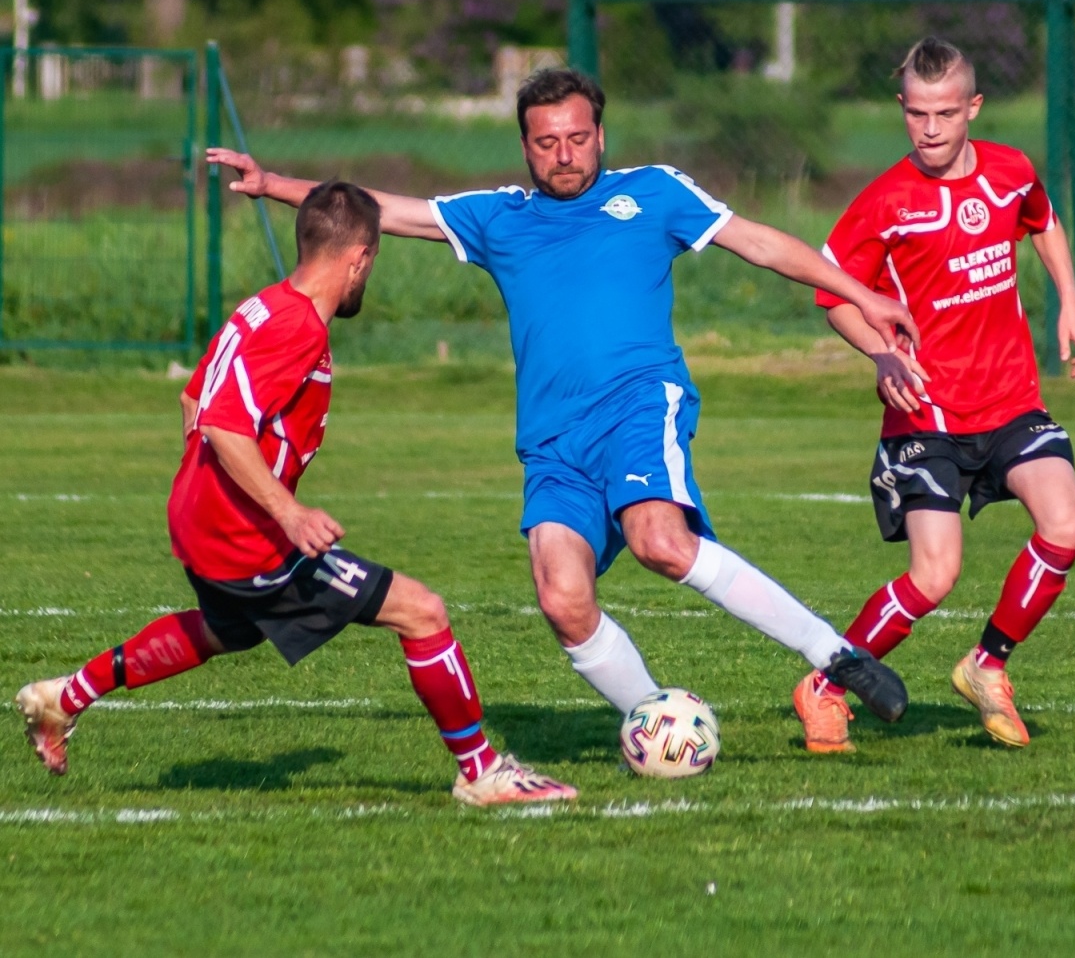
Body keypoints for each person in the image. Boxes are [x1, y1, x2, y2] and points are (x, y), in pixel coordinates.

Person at [202, 68, 917, 743]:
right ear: (525, 147)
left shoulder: (654, 192)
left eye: (578, 138)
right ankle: (656, 723)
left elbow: (759, 243)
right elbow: (381, 208)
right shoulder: (499, 219)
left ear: (601, 136)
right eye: (547, 142)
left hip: (640, 405)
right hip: (552, 445)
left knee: (660, 541)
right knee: (562, 598)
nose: (565, 154)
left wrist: (863, 294)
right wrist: (271, 185)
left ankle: (835, 654)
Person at [14, 181, 574, 806]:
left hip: (200, 517)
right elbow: (222, 421)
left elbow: (191, 399)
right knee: (423, 612)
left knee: (229, 632)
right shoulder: (297, 328)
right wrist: (287, 511)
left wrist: (205, 489)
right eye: (372, 263)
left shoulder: (261, 306)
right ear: (360, 257)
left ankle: (63, 697)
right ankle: (482, 771)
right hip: (244, 534)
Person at [795, 37, 1075, 753]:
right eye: (917, 113)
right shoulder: (885, 203)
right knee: (935, 576)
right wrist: (879, 352)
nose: (930, 129)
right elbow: (831, 294)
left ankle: (987, 665)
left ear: (973, 109)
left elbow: (1043, 219)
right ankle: (827, 684)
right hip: (925, 416)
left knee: (1065, 525)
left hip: (1012, 399)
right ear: (902, 109)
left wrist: (1070, 302)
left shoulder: (1009, 170)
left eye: (946, 113)